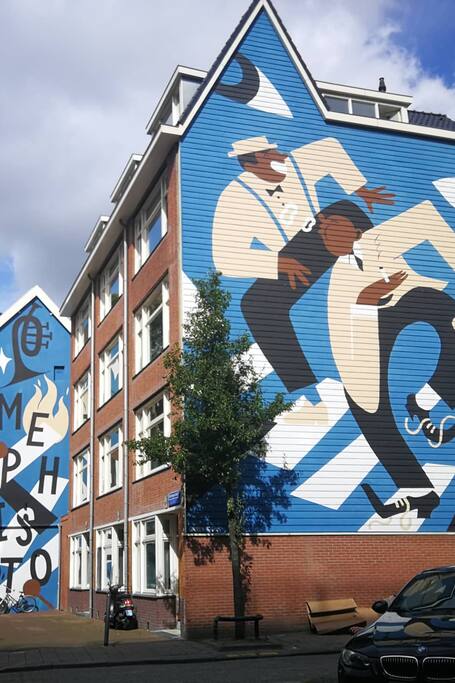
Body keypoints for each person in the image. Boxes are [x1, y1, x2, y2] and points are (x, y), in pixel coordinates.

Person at [212, 135, 394, 392]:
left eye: (273, 150)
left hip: (323, 228)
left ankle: (379, 273)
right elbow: (224, 258)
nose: (279, 156)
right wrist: (277, 262)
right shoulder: (234, 196)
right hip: (293, 257)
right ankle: (302, 385)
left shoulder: (296, 163)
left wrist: (359, 188)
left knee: (345, 209)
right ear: (250, 165)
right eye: (267, 155)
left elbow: (330, 148)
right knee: (253, 304)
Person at [324, 200, 455, 518]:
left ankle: (423, 402)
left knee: (445, 314)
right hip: (366, 331)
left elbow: (427, 219)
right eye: (324, 232)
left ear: (357, 229)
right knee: (364, 404)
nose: (327, 234)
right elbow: (346, 334)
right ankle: (418, 489)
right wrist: (369, 295)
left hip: (412, 300)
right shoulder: (339, 279)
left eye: (334, 226)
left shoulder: (378, 239)